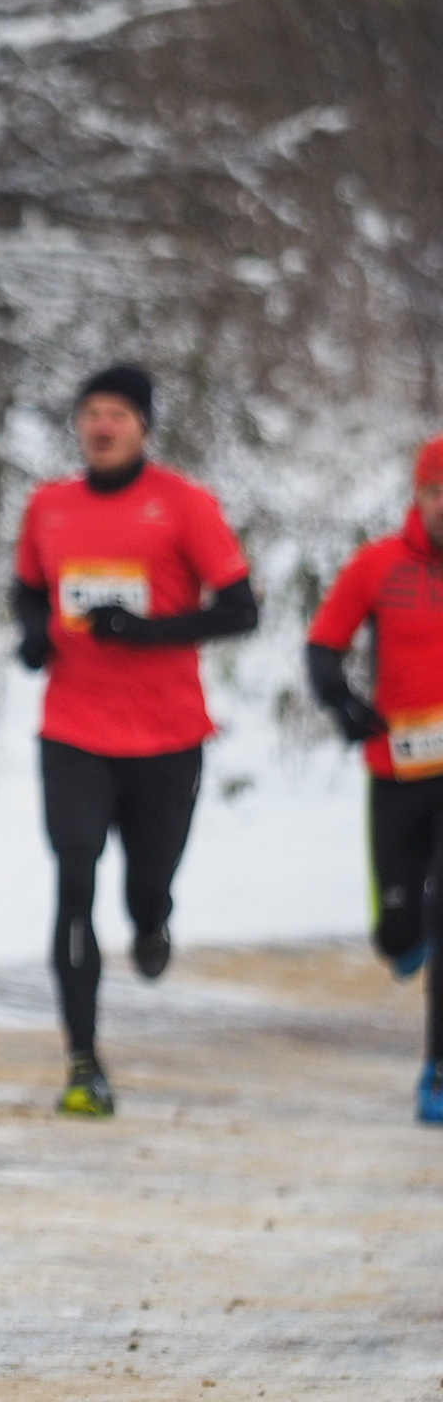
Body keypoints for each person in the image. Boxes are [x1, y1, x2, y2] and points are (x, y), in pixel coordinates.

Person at [10, 364, 257, 1117]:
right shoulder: (49, 506)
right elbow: (28, 589)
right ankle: (83, 1060)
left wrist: (149, 632)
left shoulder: (184, 505)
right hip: (74, 730)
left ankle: (153, 920)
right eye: (90, 412)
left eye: (117, 412)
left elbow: (241, 609)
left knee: (144, 884)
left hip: (166, 735)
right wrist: (32, 636)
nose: (102, 425)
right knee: (74, 876)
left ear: (144, 425)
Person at [305, 434, 443, 1125]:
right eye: (438, 491)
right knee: (399, 928)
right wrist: (346, 704)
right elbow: (324, 647)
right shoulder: (378, 565)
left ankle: (436, 1069)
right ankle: (402, 934)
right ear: (419, 495)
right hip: (399, 767)